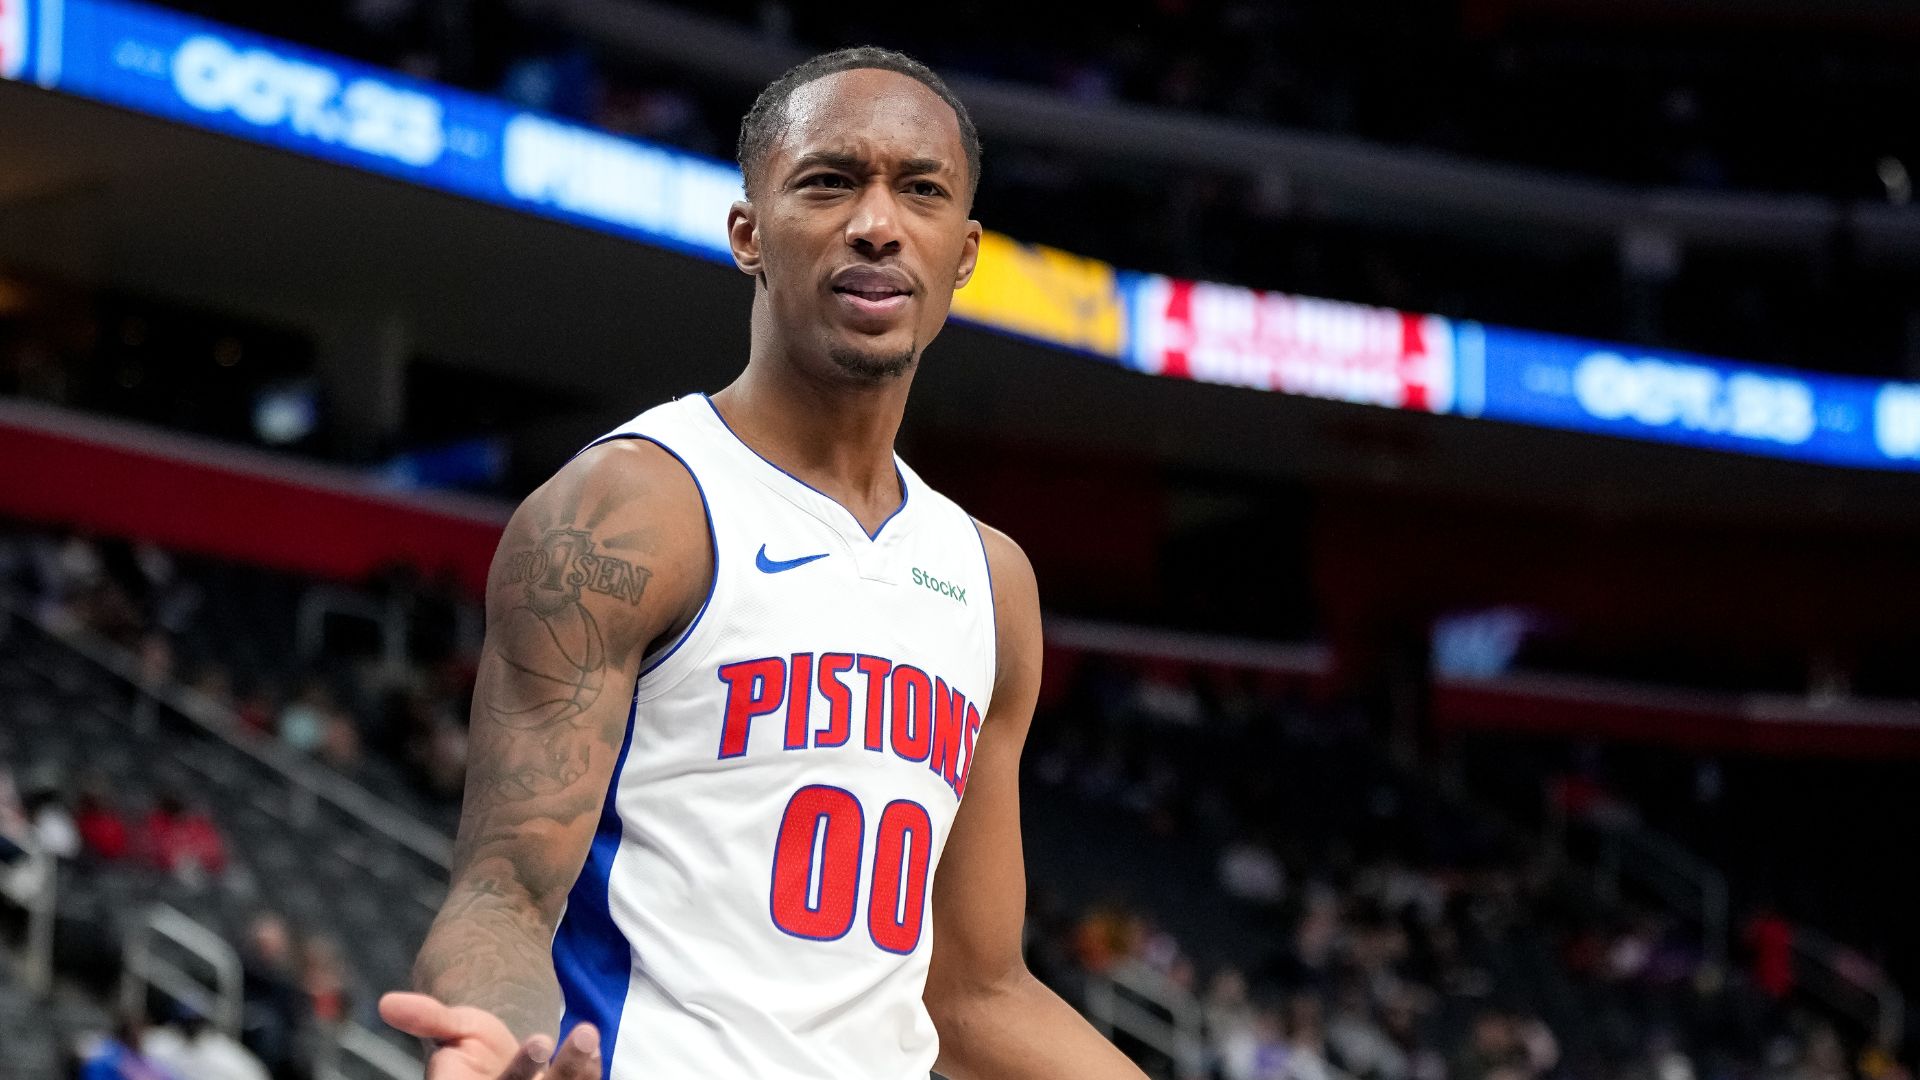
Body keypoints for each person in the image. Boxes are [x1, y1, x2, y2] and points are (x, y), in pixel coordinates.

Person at [379, 45, 1149, 1080]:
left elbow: (973, 995)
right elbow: (503, 895)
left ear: (963, 254)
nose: (877, 223)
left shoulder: (991, 581)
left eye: (920, 191)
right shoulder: (630, 511)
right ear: (749, 232)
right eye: (830, 182)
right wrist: (500, 1044)